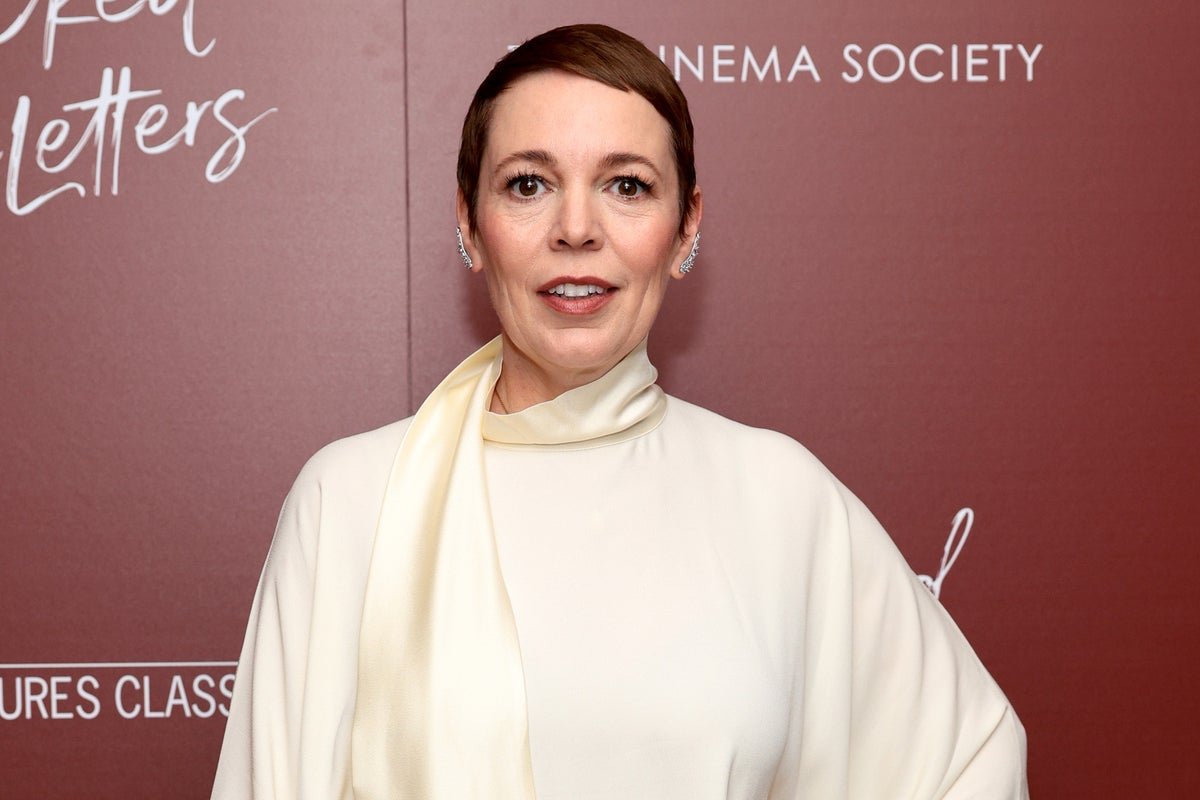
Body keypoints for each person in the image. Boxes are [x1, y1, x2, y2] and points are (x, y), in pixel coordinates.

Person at [211, 23, 1028, 800]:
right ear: (469, 222)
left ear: (685, 231)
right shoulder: (351, 502)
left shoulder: (781, 498)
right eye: (528, 184)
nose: (576, 229)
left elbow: (972, 761)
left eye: (626, 185)